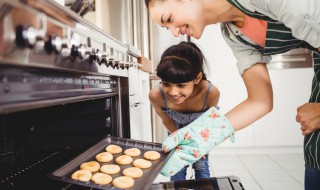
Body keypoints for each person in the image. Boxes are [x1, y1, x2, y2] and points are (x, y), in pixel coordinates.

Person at [144, 0, 320, 189]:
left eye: (169, 19)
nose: (174, 32)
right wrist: (205, 135)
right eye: (166, 27)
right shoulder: (234, 35)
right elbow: (260, 101)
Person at [148, 41, 220, 181]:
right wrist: (178, 141)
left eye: (181, 85)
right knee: (176, 167)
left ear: (197, 78)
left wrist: (201, 145)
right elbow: (166, 119)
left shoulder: (210, 93)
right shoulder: (156, 95)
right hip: (175, 130)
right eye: (166, 83)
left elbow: (209, 122)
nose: (173, 92)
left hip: (201, 133)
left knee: (201, 166)